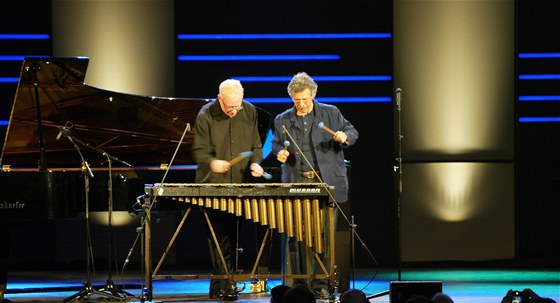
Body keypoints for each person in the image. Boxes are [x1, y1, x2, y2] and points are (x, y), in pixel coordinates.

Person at [272, 72, 358, 299]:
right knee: (296, 235)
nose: (300, 104)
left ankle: (321, 282)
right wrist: (279, 153)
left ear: (313, 95)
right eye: (296, 100)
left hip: (325, 182)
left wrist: (342, 136)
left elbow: (352, 132)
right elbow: (276, 144)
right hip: (296, 181)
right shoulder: (282, 119)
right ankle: (299, 284)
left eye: (305, 100)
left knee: (324, 236)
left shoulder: (331, 112)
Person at [192, 79, 266, 300]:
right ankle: (224, 284)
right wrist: (211, 161)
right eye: (229, 107)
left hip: (240, 183)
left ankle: (223, 285)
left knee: (233, 236)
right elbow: (199, 149)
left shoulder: (249, 110)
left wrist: (256, 162)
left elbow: (256, 145)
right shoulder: (205, 114)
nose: (234, 111)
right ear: (219, 98)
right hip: (212, 183)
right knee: (218, 236)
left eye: (237, 106)